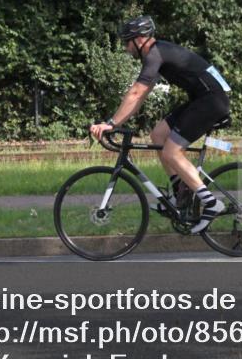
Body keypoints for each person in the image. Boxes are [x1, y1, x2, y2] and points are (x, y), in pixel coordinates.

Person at [90, 15, 231, 234]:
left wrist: (111, 123)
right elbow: (140, 96)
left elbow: (136, 92)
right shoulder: (158, 54)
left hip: (211, 102)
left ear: (138, 40)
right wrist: (117, 122)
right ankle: (179, 193)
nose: (126, 49)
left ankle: (211, 204)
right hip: (203, 99)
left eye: (127, 42)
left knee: (172, 152)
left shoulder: (155, 53)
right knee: (158, 134)